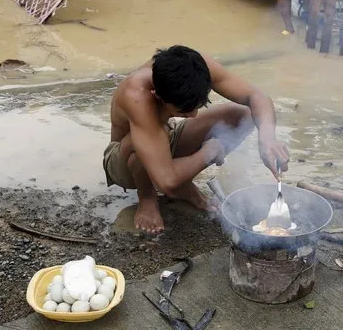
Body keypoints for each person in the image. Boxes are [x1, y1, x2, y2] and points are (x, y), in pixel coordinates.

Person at [103, 45, 290, 234]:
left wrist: (267, 141)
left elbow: (256, 96)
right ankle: (148, 198)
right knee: (140, 148)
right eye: (183, 111)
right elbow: (166, 180)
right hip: (125, 160)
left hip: (165, 136)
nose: (193, 115)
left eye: (198, 106)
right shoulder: (136, 95)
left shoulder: (194, 66)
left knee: (245, 116)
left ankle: (183, 184)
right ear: (157, 96)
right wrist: (208, 153)